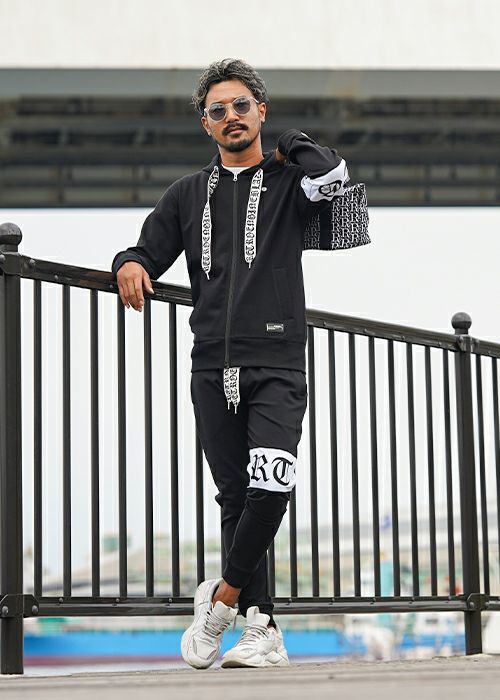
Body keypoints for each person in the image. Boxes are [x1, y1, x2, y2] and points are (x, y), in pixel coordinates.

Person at [111, 58, 352, 670]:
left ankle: (221, 602)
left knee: (271, 485)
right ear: (206, 124)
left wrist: (296, 146)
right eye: (217, 110)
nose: (231, 117)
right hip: (210, 365)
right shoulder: (187, 194)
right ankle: (262, 628)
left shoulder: (290, 184)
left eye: (242, 105)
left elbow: (341, 196)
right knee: (235, 498)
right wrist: (129, 264)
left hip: (277, 361)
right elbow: (147, 248)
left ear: (260, 112)